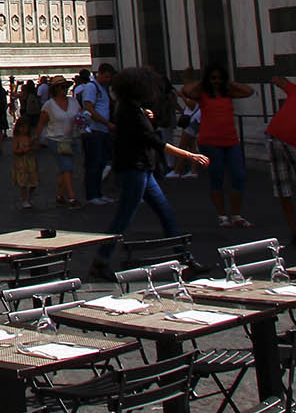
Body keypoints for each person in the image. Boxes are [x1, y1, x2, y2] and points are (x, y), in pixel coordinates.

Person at [90, 67, 209, 279]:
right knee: (124, 217)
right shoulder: (131, 112)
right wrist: (189, 155)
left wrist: (146, 116)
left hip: (141, 170)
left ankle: (185, 259)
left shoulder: (129, 108)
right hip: (134, 170)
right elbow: (155, 142)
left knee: (164, 213)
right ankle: (101, 260)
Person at [183, 62, 252, 227]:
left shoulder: (227, 93)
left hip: (231, 141)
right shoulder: (202, 94)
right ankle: (222, 216)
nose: (217, 81)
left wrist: (229, 83)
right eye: (213, 78)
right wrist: (202, 81)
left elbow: (249, 91)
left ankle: (236, 215)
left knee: (238, 175)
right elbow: (187, 91)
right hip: (210, 142)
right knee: (217, 177)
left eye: (220, 78)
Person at [266, 74, 296, 246]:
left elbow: (280, 82)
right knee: (283, 187)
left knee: (283, 187)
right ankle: (295, 231)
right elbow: (280, 82)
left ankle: (295, 231)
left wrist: (276, 79)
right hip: (285, 139)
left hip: (275, 137)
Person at [38, 76, 81, 205]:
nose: (64, 89)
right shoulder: (49, 105)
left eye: (66, 87)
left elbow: (80, 116)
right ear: (55, 89)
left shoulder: (74, 102)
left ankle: (60, 195)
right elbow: (41, 123)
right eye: (62, 87)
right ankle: (72, 197)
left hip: (72, 138)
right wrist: (36, 139)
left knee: (65, 168)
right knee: (67, 166)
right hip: (56, 139)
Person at [79, 63, 115, 203]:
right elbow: (89, 108)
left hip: (102, 130)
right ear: (99, 73)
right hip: (94, 131)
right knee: (93, 163)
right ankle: (92, 194)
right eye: (106, 77)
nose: (108, 80)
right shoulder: (91, 87)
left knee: (101, 163)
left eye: (109, 77)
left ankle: (98, 193)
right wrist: (106, 123)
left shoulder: (102, 88)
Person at [11, 100, 39, 209]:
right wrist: (22, 150)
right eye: (21, 127)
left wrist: (33, 146)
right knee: (23, 183)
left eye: (25, 127)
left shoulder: (29, 137)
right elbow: (15, 150)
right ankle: (24, 199)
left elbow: (36, 147)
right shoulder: (17, 138)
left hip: (31, 162)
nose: (23, 129)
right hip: (21, 163)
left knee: (33, 182)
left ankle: (29, 197)